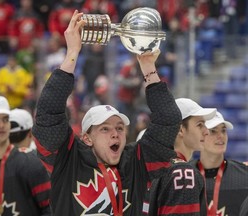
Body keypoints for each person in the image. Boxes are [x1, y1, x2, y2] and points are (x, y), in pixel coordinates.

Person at [32, 10, 182, 215]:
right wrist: (72, 53)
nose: (115, 133)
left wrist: (148, 67)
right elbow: (48, 113)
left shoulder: (136, 162)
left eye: (120, 128)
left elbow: (168, 120)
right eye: (105, 128)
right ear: (86, 138)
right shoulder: (68, 159)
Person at [138, 98, 216, 215]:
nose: (206, 131)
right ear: (180, 129)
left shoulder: (151, 166)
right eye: (200, 125)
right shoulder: (183, 173)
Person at [190, 111, 248, 215]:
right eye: (213, 131)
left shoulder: (244, 174)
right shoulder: (185, 174)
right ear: (201, 135)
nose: (221, 136)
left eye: (223, 130)